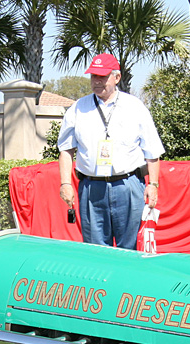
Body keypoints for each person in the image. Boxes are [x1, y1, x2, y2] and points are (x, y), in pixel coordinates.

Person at [57, 53, 163, 249]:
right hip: (91, 188)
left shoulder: (135, 107)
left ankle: (127, 280)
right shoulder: (78, 108)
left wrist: (153, 184)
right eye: (93, 76)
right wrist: (65, 183)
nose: (97, 82)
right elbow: (65, 150)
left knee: (129, 248)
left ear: (117, 78)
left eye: (102, 77)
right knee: (95, 251)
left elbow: (152, 151)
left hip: (128, 185)